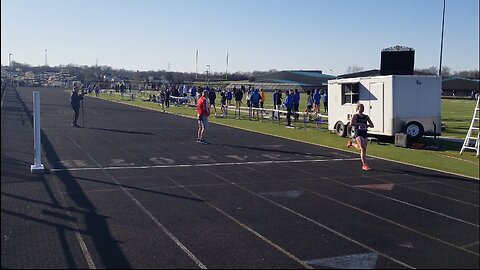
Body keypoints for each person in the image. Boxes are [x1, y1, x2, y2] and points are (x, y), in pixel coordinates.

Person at [347, 103, 374, 171]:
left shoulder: (366, 116)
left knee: (360, 148)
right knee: (363, 148)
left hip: (364, 133)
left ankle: (351, 143)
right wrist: (359, 124)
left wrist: (367, 125)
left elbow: (372, 125)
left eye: (363, 107)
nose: (362, 108)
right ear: (358, 108)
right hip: (358, 133)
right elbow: (351, 124)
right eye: (361, 107)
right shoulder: (355, 116)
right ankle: (364, 165)